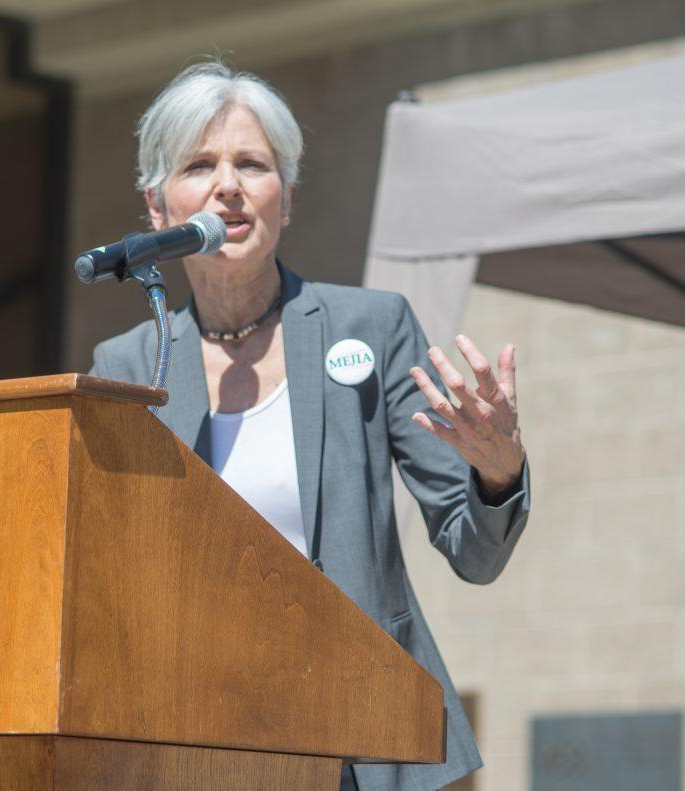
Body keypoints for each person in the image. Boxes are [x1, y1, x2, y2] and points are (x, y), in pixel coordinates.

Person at [88, 61, 530, 791]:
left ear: (285, 199)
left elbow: (475, 552)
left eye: (251, 164)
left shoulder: (370, 325)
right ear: (158, 208)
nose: (227, 184)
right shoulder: (129, 362)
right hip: (197, 743)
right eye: (199, 165)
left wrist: (497, 472)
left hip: (361, 738)